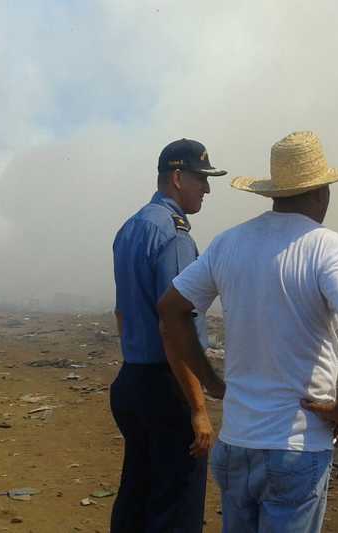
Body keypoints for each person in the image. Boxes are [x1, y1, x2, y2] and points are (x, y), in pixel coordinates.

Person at [158, 131, 338, 533]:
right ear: (322, 193)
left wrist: (211, 381)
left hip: (236, 444)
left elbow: (171, 309)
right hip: (296, 447)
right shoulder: (329, 247)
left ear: (275, 193)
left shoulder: (229, 243)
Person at [110, 138, 227, 532]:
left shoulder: (131, 227)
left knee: (137, 495)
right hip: (166, 387)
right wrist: (197, 407)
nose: (207, 189)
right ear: (177, 178)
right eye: (201, 179)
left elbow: (122, 312)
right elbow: (173, 325)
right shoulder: (175, 236)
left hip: (132, 379)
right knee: (176, 507)